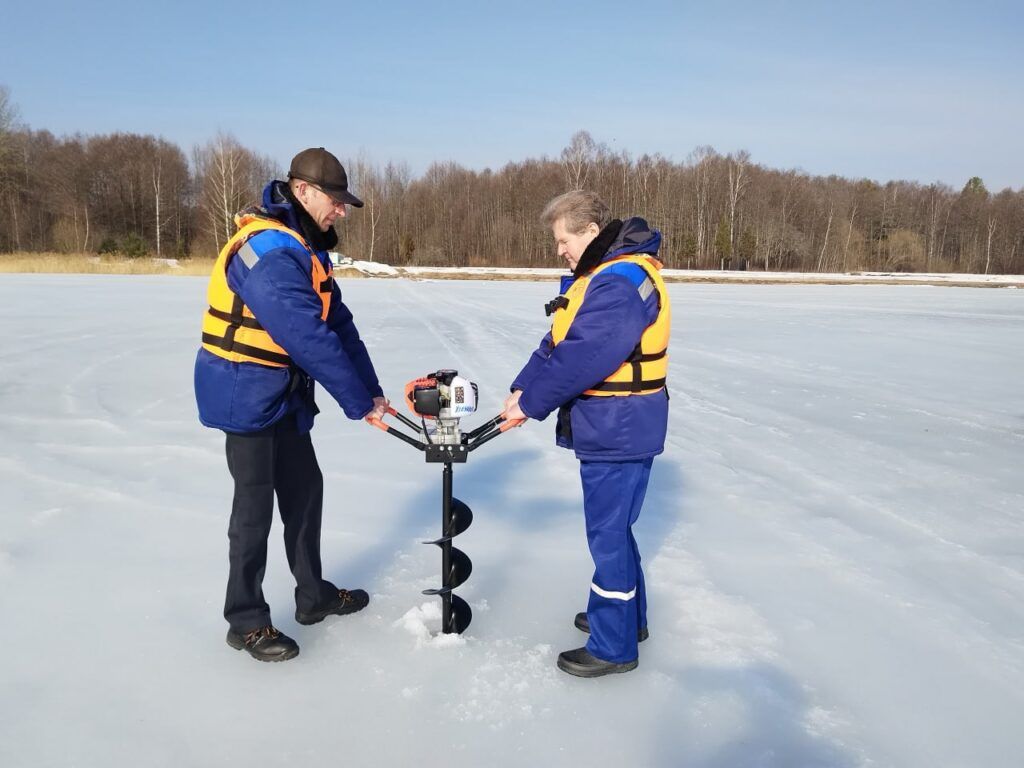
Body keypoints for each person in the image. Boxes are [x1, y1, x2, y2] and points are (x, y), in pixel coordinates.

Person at [194, 147, 388, 663]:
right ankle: (247, 620)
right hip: (245, 392)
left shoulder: (304, 247)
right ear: (302, 191)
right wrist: (354, 402)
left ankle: (312, 595)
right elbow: (305, 335)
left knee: (305, 492)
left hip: (284, 395)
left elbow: (339, 327)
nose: (341, 211)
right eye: (336, 200)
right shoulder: (269, 251)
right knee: (253, 509)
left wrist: (370, 391)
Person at [501, 190, 670, 678]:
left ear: (592, 233)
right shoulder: (597, 278)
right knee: (616, 530)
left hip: (619, 427)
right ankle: (626, 619)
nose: (559, 250)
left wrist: (531, 406)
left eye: (563, 240)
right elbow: (556, 342)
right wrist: (521, 388)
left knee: (608, 537)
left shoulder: (621, 283)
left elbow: (585, 356)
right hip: (614, 426)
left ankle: (613, 645)